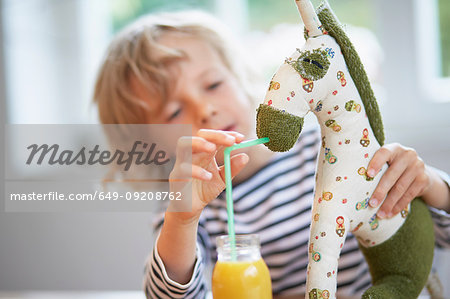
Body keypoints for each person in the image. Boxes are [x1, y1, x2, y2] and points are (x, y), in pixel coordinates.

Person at [93, 10, 450, 298]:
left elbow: (438, 238)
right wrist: (181, 221)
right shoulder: (190, 212)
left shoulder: (326, 149)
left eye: (213, 85)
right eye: (173, 112)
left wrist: (429, 185)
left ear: (243, 79)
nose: (204, 108)